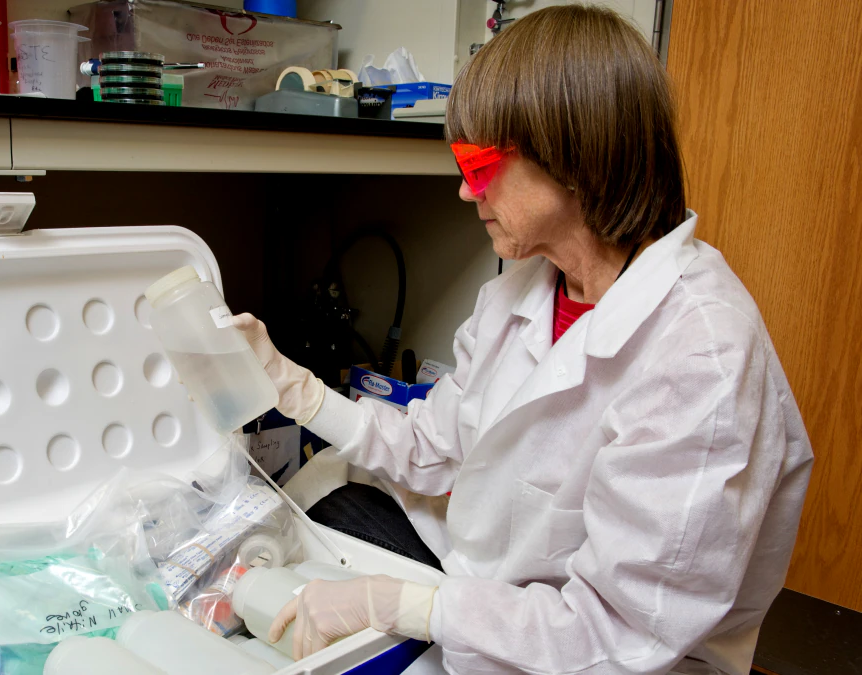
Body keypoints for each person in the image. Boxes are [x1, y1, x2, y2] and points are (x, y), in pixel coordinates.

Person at [231, 6, 813, 674]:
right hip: (495, 592)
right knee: (317, 498)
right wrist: (294, 387)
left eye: (479, 164)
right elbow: (432, 449)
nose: (461, 189)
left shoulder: (698, 356)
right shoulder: (525, 289)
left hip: (609, 654)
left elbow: (615, 637)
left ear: (575, 159)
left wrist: (406, 604)